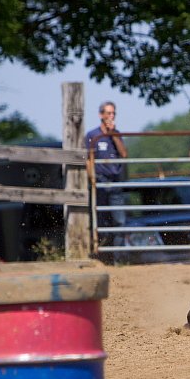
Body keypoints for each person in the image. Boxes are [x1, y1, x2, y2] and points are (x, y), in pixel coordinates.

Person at [85, 101, 128, 260]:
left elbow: (124, 154)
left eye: (113, 113)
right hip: (100, 181)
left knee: (119, 221)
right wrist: (92, 180)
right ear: (101, 115)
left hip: (115, 180)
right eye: (108, 113)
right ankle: (103, 256)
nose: (111, 116)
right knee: (102, 221)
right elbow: (88, 159)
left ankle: (119, 258)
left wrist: (113, 135)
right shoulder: (92, 135)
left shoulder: (116, 134)